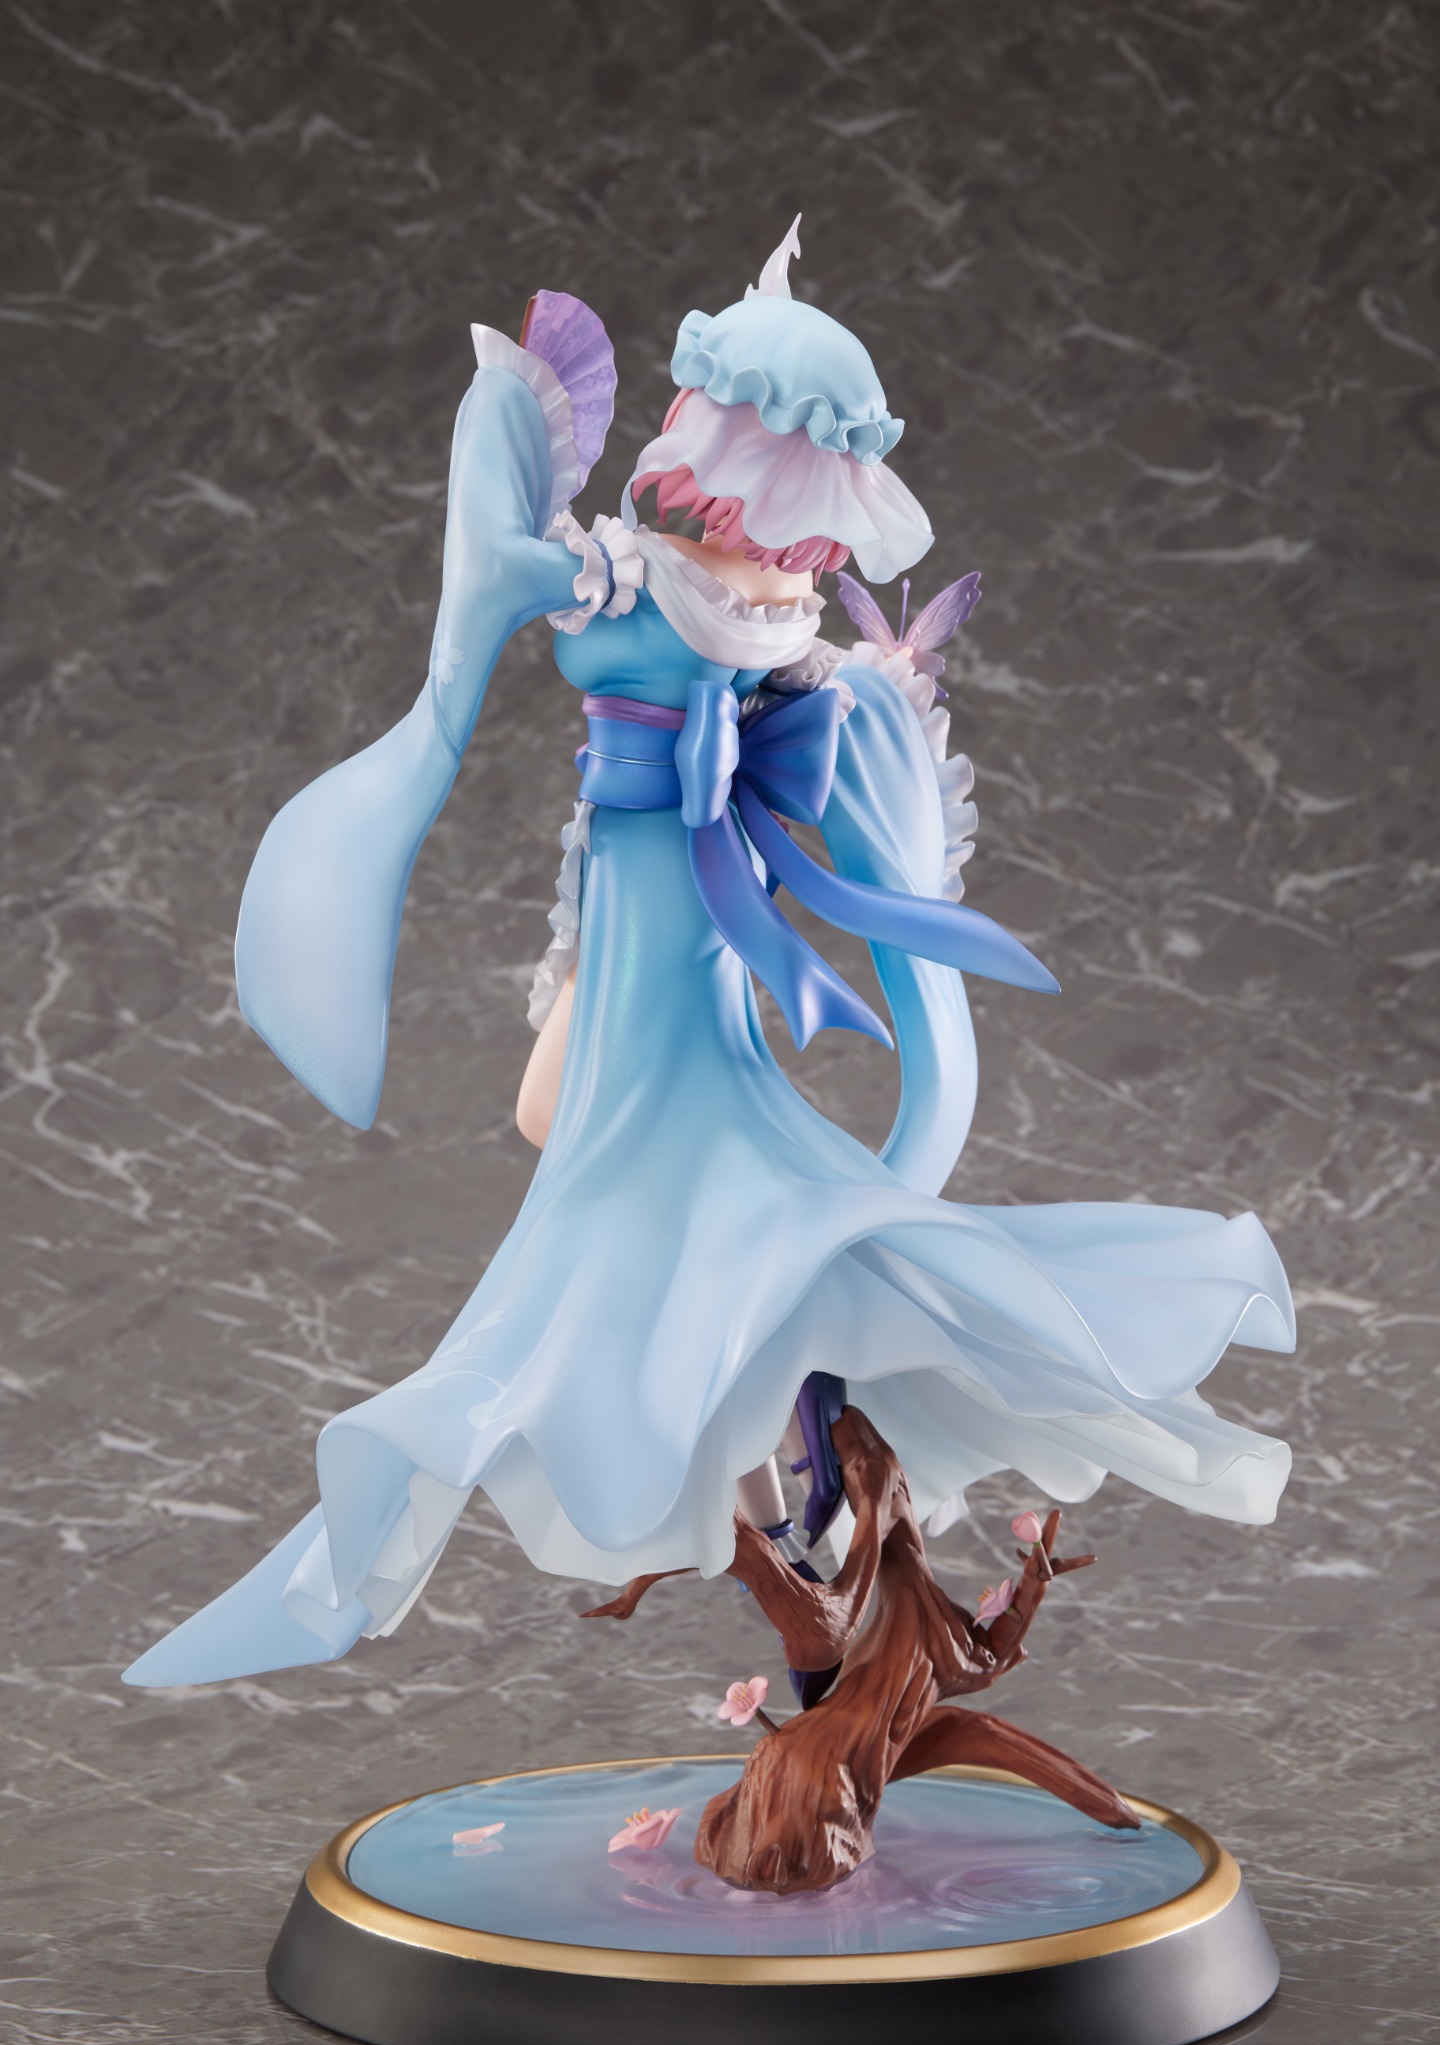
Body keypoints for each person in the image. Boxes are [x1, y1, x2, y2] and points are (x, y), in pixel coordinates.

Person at [125, 221, 1294, 1694]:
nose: (797, 554)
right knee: (566, 1132)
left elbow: (760, 671)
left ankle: (787, 1469)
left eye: (809, 532)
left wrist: (834, 678)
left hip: (679, 914)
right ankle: (779, 1446)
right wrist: (513, 462)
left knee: (675, 1183)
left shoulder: (719, 603)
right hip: (621, 899)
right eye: (792, 511)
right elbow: (535, 600)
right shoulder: (643, 577)